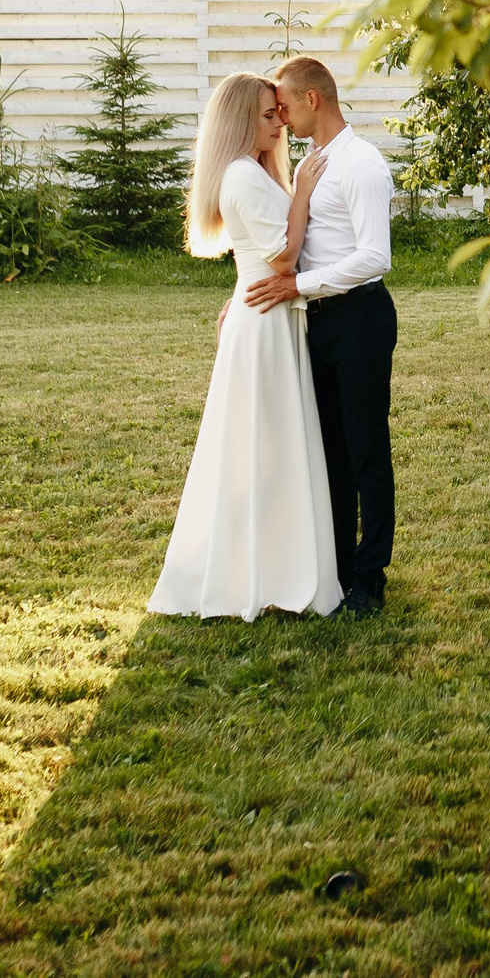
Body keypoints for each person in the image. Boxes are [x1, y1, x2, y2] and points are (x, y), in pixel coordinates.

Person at [145, 72, 345, 621]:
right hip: (266, 326)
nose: (280, 124)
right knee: (263, 445)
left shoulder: (251, 172)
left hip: (264, 315)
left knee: (271, 447)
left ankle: (274, 564)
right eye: (266, 115)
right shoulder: (242, 175)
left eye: (278, 113)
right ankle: (261, 573)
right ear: (239, 121)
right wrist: (302, 192)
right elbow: (281, 257)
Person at [245, 56, 397, 614]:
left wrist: (299, 286)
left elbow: (374, 256)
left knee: (365, 453)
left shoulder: (360, 163)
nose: (279, 116)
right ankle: (334, 571)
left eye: (284, 104)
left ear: (313, 100)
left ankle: (370, 578)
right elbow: (293, 241)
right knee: (328, 452)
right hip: (318, 321)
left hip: (360, 319)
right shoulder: (308, 163)